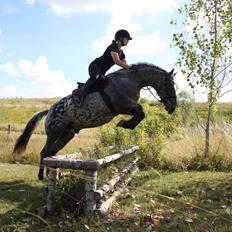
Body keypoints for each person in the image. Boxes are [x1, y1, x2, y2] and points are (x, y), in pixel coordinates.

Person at [77, 29, 132, 105]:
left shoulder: (121, 53)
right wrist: (130, 67)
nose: (128, 41)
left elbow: (125, 65)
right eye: (127, 39)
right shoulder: (113, 46)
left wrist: (131, 69)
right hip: (95, 66)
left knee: (104, 83)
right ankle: (80, 97)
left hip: (102, 71)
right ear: (120, 38)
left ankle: (82, 86)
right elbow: (117, 61)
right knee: (97, 78)